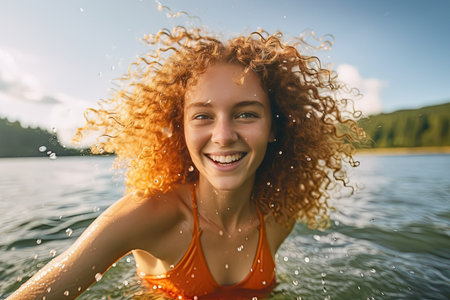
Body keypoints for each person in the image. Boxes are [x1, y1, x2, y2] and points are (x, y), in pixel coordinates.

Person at [8, 27, 363, 300]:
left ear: (275, 126)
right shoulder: (145, 215)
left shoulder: (281, 215)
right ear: (181, 130)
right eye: (203, 116)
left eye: (246, 114)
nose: (223, 135)